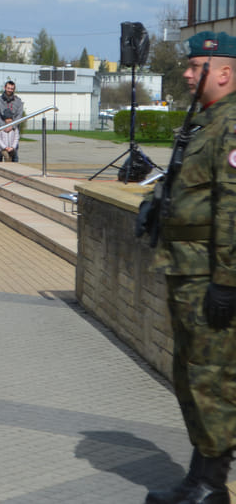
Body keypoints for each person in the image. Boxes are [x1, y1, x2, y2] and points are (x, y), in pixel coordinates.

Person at [140, 31, 236, 504]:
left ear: (224, 72)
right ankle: (200, 476)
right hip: (186, 271)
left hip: (208, 278)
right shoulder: (204, 120)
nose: (186, 73)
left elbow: (232, 208)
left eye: (196, 66)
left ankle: (212, 485)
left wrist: (227, 281)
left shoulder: (232, 125)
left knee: (210, 377)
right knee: (190, 374)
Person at [0, 81, 23, 162]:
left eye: (12, 88)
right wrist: (3, 126)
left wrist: (12, 126)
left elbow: (19, 115)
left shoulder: (18, 101)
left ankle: (15, 168)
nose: (10, 90)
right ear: (5, 88)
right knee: (0, 152)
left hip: (13, 129)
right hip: (1, 128)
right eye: (8, 88)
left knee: (14, 152)